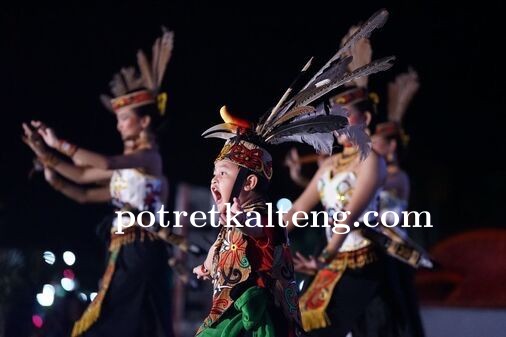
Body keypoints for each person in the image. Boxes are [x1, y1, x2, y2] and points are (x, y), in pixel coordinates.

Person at [192, 9, 394, 337]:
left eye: (347, 116)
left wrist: (320, 254)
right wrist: (271, 240)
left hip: (365, 261)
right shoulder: (329, 167)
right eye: (335, 114)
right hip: (332, 263)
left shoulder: (373, 162)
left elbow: (348, 216)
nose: (340, 124)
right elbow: (296, 211)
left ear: (366, 121)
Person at [22, 29, 176, 337]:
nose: (118, 126)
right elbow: (80, 183)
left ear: (144, 121)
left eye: (124, 119)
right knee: (134, 325)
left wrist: (58, 143)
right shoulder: (129, 168)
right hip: (121, 252)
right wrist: (44, 155)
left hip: (141, 250)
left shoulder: (149, 158)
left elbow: (103, 164)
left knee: (115, 322)